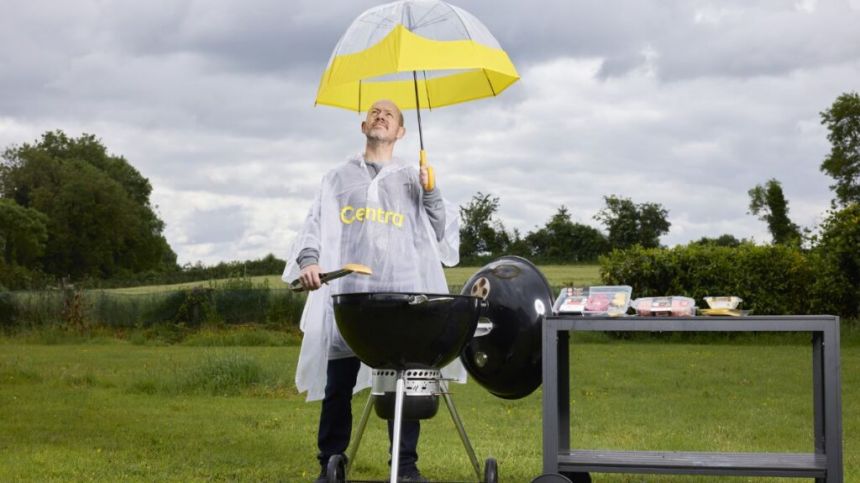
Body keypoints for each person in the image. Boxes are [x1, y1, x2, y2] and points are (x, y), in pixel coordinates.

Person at [282, 99, 463, 482]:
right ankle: (330, 465)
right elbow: (315, 224)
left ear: (400, 132)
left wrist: (432, 191)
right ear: (363, 126)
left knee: (404, 386)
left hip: (401, 297)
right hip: (352, 300)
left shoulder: (413, 178)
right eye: (374, 112)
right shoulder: (338, 178)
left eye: (390, 114)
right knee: (338, 387)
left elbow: (439, 232)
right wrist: (309, 261)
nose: (381, 116)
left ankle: (405, 467)